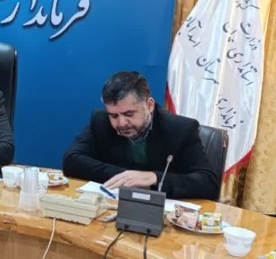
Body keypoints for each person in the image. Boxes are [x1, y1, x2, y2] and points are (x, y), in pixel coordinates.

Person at [62, 71, 219, 200]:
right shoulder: (100, 120)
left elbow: (208, 183)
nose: (121, 123)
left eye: (129, 114)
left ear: (149, 105)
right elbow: (71, 160)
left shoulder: (180, 129)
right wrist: (125, 177)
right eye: (114, 116)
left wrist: (153, 178)